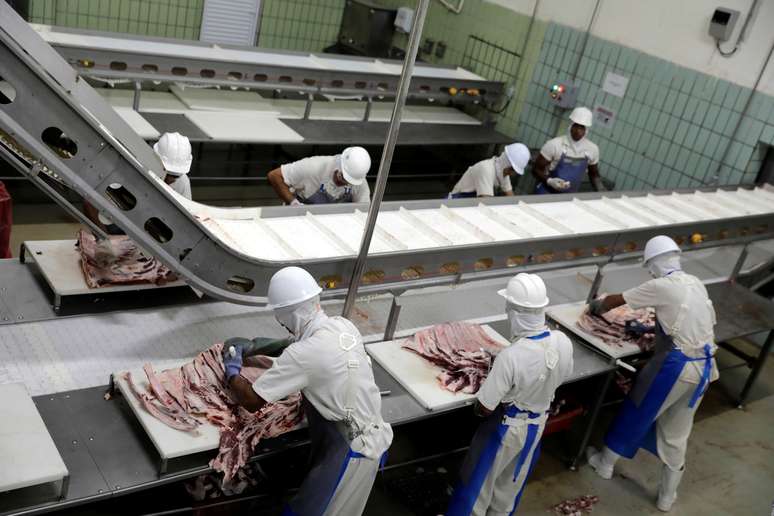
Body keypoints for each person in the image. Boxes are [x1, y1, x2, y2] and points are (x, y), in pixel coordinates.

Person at [223, 266, 392, 515]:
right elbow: (303, 345)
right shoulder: (342, 325)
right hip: (371, 436)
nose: (282, 324)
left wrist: (232, 371)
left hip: (351, 454)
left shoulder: (303, 354)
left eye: (281, 318)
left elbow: (250, 400)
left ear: (286, 315)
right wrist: (257, 346)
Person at [585, 235, 718, 512]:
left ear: (655, 263)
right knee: (676, 432)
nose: (649, 271)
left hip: (676, 368)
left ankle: (605, 465)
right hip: (704, 368)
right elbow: (685, 323)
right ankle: (667, 497)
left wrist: (596, 306)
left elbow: (616, 300)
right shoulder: (695, 283)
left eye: (649, 266)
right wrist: (650, 330)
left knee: (637, 410)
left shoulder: (661, 285)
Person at [447, 273, 574, 516]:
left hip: (505, 429)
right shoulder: (563, 341)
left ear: (515, 313)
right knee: (510, 486)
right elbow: (560, 375)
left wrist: (490, 387)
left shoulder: (512, 355)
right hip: (537, 425)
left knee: (478, 486)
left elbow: (484, 407)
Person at [83, 132, 194, 264]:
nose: (170, 180)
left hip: (152, 230)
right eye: (167, 173)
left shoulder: (183, 182)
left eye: (175, 176)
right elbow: (90, 200)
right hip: (116, 225)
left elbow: (184, 223)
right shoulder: (128, 171)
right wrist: (102, 238)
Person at [532, 107, 605, 194]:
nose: (578, 131)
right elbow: (535, 170)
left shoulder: (592, 149)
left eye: (582, 127)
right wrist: (550, 181)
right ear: (570, 126)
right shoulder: (554, 145)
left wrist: (602, 191)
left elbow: (594, 175)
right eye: (576, 126)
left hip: (568, 199)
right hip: (546, 193)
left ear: (586, 130)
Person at [267, 146, 371, 205]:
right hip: (299, 213)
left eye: (349, 181)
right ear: (340, 165)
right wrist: (292, 202)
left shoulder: (359, 181)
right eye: (343, 177)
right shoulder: (312, 167)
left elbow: (363, 211)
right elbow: (274, 175)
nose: (344, 183)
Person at [449, 143, 531, 199]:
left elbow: (510, 196)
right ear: (507, 164)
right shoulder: (486, 169)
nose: (512, 174)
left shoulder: (502, 172)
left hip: (471, 202)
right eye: (513, 170)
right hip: (457, 201)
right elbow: (486, 202)